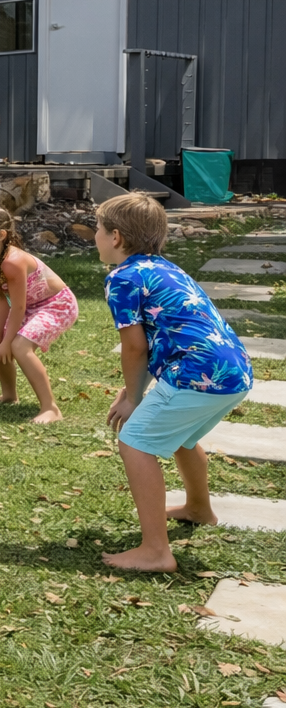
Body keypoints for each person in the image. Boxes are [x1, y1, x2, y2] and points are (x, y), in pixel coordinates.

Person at [97, 194, 253, 572]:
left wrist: (134, 399)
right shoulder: (165, 268)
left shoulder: (122, 278)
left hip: (196, 374)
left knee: (134, 441)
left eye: (98, 230)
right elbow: (162, 337)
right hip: (234, 371)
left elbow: (134, 347)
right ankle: (199, 508)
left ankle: (155, 551)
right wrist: (132, 390)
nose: (96, 237)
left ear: (116, 237)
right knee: (183, 438)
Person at [0, 205, 78, 424]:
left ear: (1, 235)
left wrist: (9, 341)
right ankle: (9, 396)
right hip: (30, 306)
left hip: (57, 304)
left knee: (19, 346)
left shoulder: (13, 262)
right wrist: (0, 339)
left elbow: (17, 307)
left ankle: (51, 408)